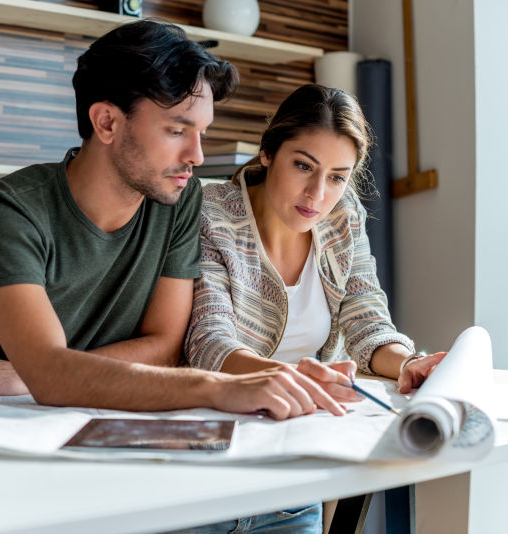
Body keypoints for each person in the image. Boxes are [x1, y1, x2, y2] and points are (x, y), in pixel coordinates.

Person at [0, 21, 354, 420]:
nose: (197, 156)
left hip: (96, 413)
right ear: (106, 122)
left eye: (201, 133)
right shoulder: (10, 212)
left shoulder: (178, 201)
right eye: (177, 131)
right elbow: (49, 372)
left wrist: (37, 374)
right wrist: (218, 386)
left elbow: (164, 347)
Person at [181, 83, 446, 532]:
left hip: (293, 478)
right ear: (268, 152)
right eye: (303, 166)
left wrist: (407, 364)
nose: (317, 194)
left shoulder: (344, 217)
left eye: (337, 177)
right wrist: (294, 378)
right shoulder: (210, 213)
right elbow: (208, 342)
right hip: (206, 474)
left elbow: (367, 319)